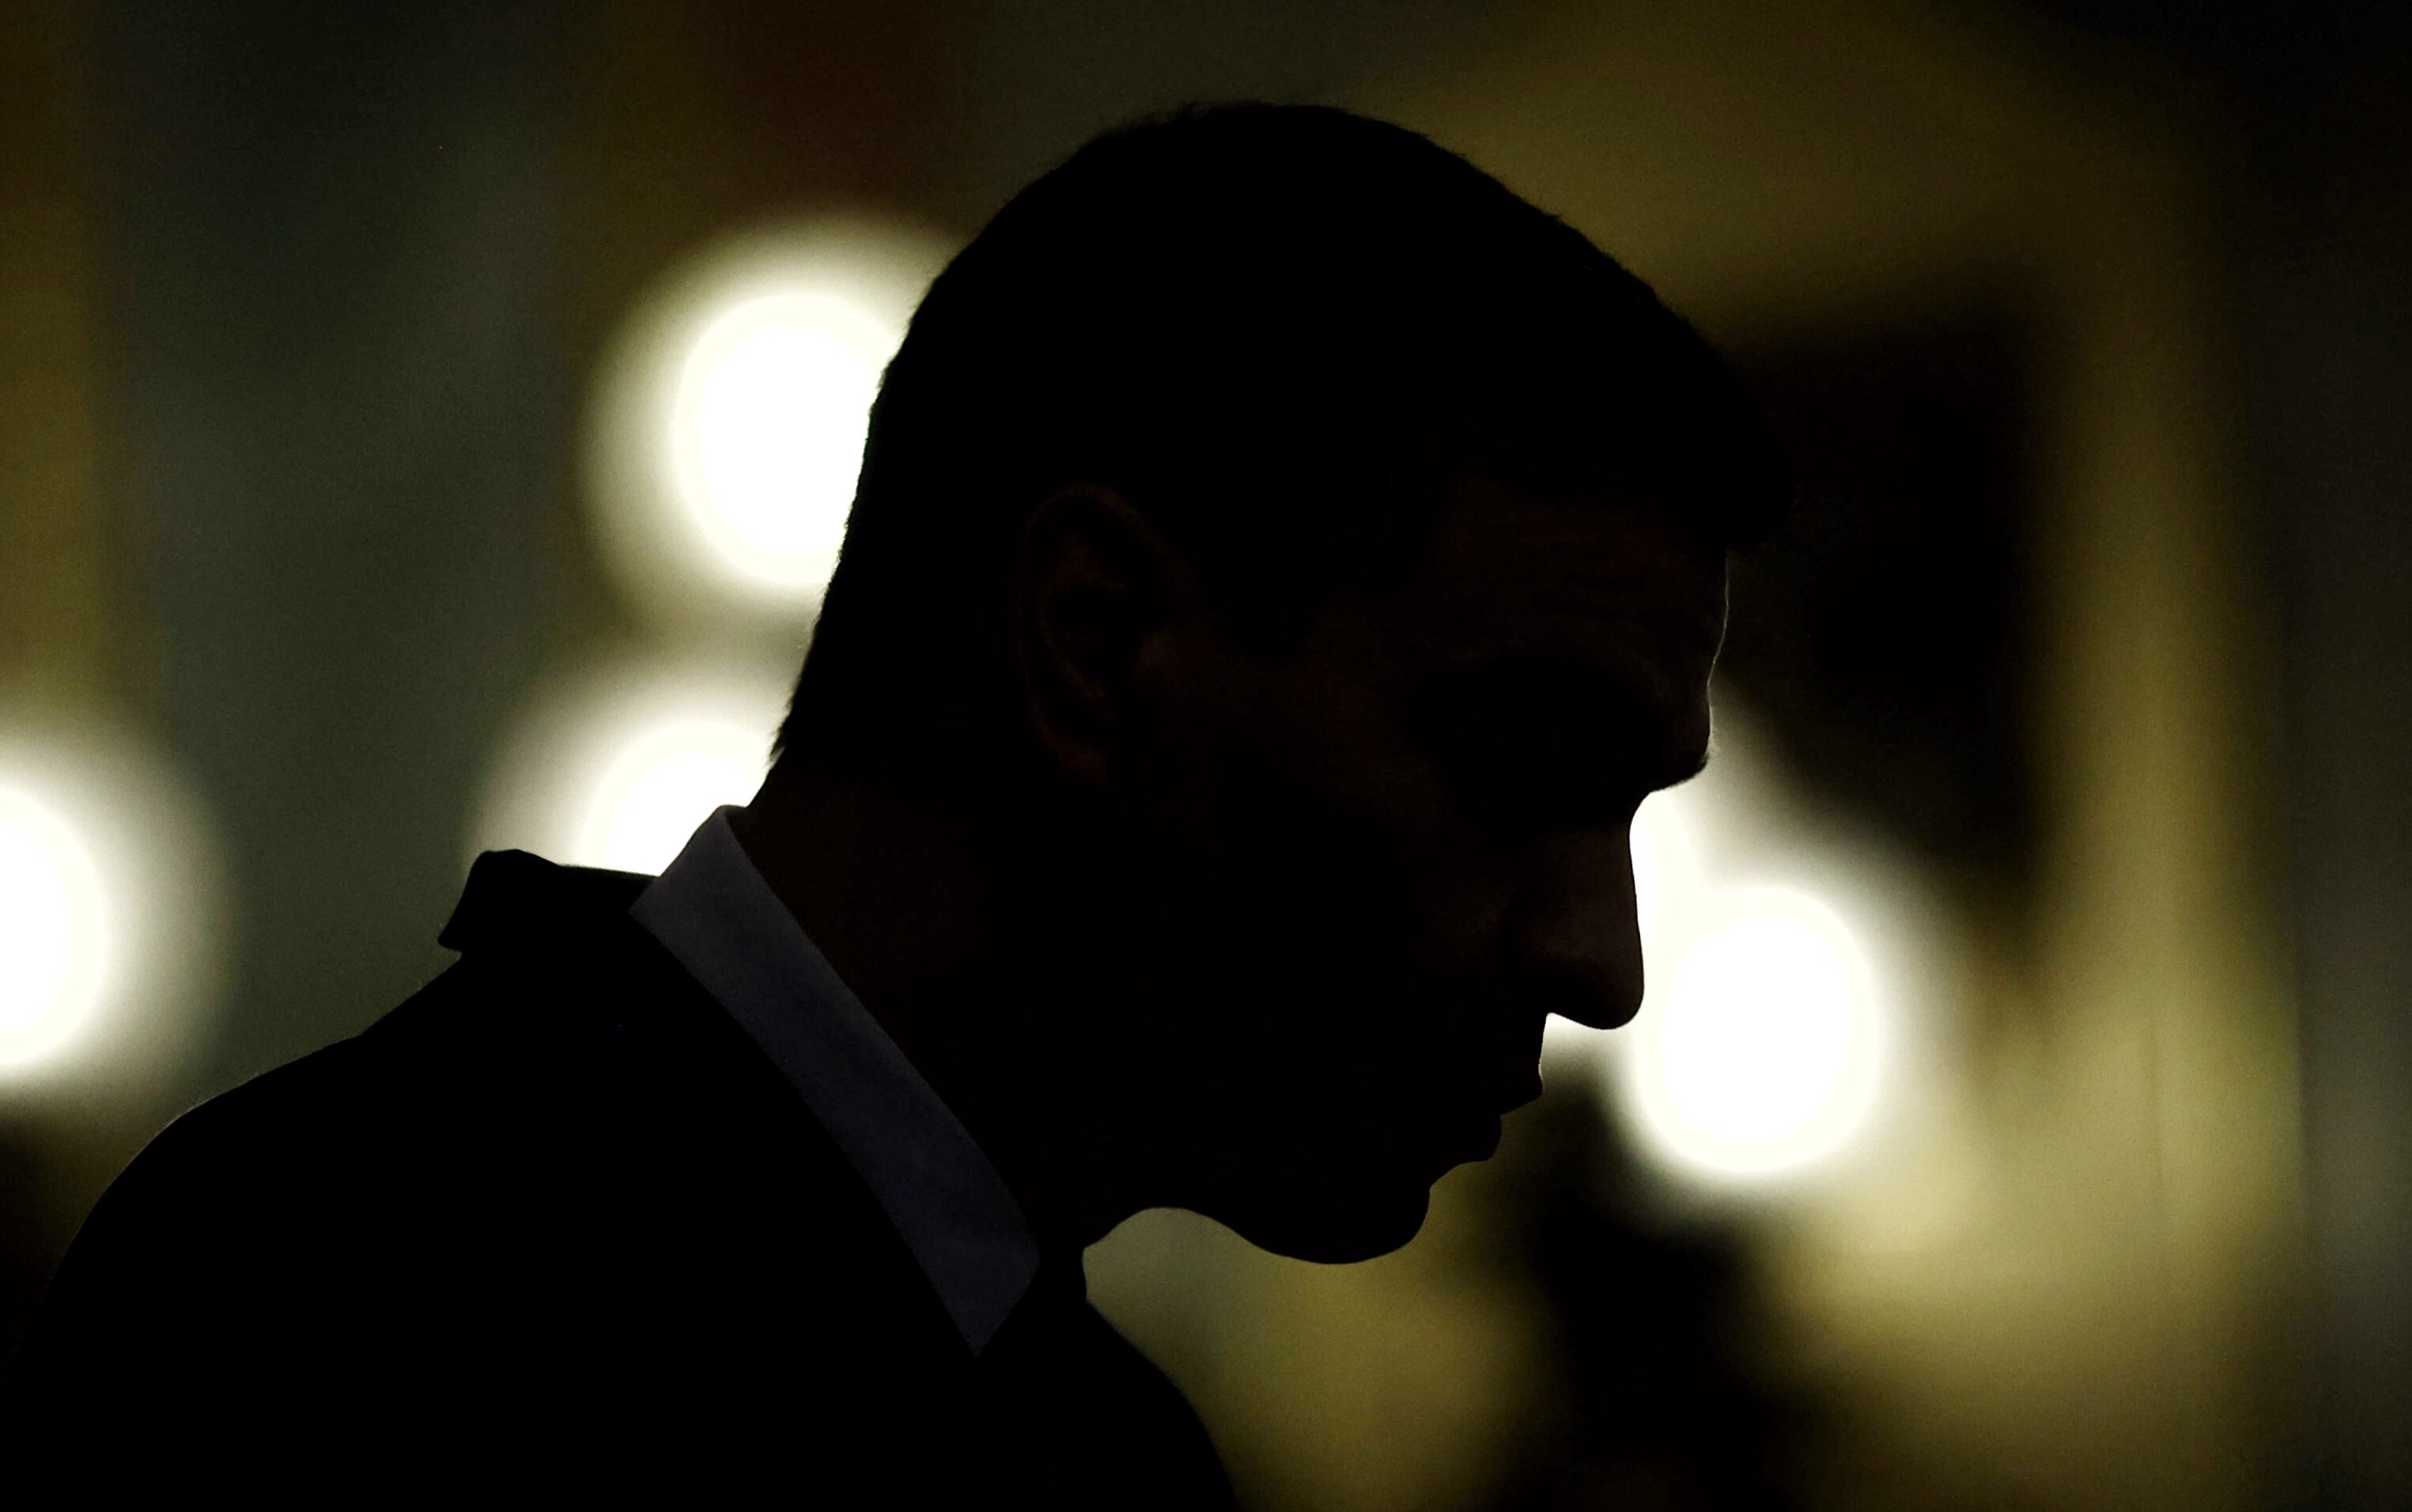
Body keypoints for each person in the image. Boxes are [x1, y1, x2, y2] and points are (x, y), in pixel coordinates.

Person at [6, 103, 1785, 1500]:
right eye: (1526, 770)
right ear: (1096, 639)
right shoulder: (332, 1302)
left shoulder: (1114, 1448)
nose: (1607, 964)